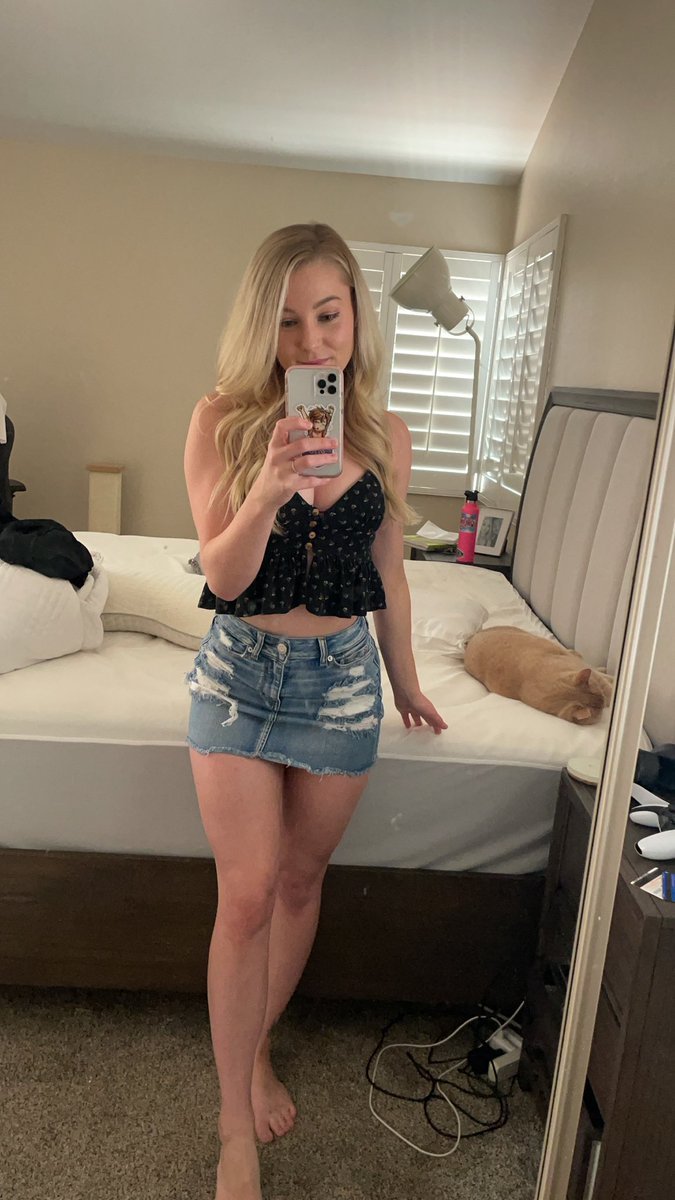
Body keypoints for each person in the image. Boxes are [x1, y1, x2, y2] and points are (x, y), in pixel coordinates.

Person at [183, 222, 447, 1200]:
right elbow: (222, 576)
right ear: (263, 327)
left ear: (356, 318)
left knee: (299, 884)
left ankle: (255, 1046)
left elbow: (391, 575)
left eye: (329, 316)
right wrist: (265, 492)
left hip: (340, 682)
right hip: (239, 675)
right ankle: (232, 1130)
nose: (311, 341)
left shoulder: (384, 436)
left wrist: (406, 680)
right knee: (247, 894)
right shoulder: (221, 420)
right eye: (288, 321)